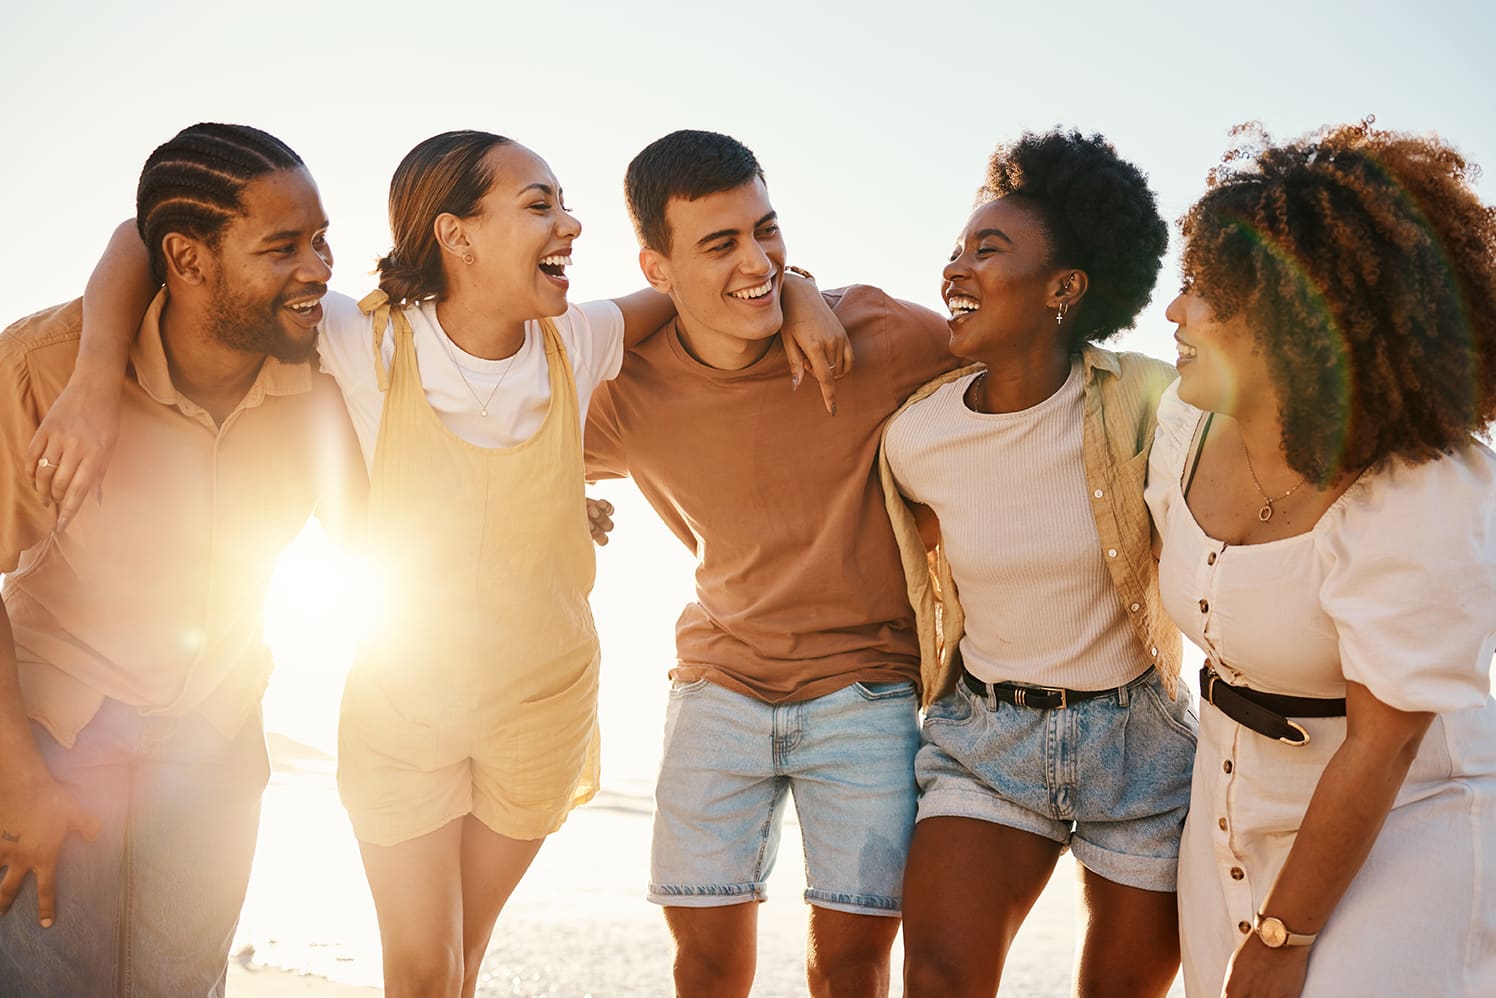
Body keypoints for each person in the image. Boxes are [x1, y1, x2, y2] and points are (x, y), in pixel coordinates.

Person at [42, 128, 846, 998]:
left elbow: (703, 290)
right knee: (424, 972)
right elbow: (141, 236)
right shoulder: (362, 338)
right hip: (407, 707)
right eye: (540, 204)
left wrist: (799, 292)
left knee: (459, 962)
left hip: (541, 707)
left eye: (564, 203)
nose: (571, 224)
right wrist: (91, 375)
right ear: (456, 235)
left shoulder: (578, 339)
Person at [583, 129, 956, 997]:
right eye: (720, 244)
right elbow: (511, 443)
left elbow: (1016, 364)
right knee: (706, 968)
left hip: (866, 693)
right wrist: (569, 502)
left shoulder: (875, 332)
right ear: (657, 267)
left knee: (855, 969)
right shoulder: (627, 387)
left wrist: (802, 287)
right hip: (718, 690)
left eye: (767, 231)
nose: (755, 258)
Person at [0, 123, 366, 997]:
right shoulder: (42, 371)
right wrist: (18, 782)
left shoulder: (334, 373)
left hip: (216, 734)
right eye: (283, 248)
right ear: (190, 260)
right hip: (59, 736)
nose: (318, 268)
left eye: (320, 240)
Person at [1147, 120, 1496, 996]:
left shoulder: (1422, 492)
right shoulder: (1182, 426)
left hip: (1411, 816)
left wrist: (1283, 935)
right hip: (1226, 812)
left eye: (1204, 291)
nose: (1175, 312)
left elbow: (1384, 747)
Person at [880, 129, 1192, 997]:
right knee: (939, 981)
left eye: (988, 250)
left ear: (1065, 288)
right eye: (956, 250)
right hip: (988, 742)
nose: (955, 270)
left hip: (1141, 750)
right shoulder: (917, 438)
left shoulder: (1146, 399)